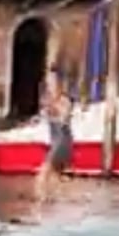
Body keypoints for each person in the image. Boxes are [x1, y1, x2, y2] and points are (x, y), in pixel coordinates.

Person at [33, 69, 74, 204]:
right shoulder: (47, 100)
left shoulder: (64, 100)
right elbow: (42, 117)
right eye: (49, 82)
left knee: (43, 174)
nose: (51, 85)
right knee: (55, 176)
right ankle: (60, 201)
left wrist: (54, 108)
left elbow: (64, 118)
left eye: (54, 82)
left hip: (62, 142)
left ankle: (39, 202)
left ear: (59, 84)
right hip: (55, 141)